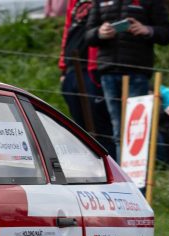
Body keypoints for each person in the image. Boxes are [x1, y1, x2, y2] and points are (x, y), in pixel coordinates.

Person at [85, 0, 169, 161]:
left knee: (136, 130)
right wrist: (99, 32)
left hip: (137, 73)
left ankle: (136, 179)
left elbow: (167, 33)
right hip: (108, 73)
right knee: (118, 129)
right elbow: (88, 35)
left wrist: (147, 30)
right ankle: (124, 179)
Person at [58, 0, 114, 155]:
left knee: (100, 126)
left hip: (93, 69)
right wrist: (63, 68)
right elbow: (67, 30)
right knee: (80, 129)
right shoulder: (73, 2)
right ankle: (90, 168)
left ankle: (110, 167)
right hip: (71, 70)